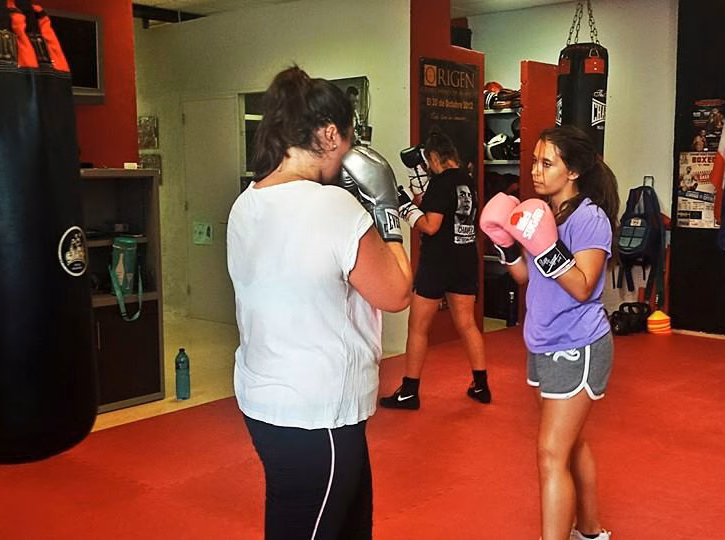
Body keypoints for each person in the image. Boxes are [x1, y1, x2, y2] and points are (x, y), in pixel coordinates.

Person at [226, 66, 412, 538]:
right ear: (330, 134)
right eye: (348, 139)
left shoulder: (246, 203)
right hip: (318, 415)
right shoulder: (333, 209)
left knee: (346, 525)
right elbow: (396, 291)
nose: (349, 152)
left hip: (267, 401)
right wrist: (387, 208)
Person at [480, 125, 619, 540]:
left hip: (578, 344)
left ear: (573, 170)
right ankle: (591, 532)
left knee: (549, 453)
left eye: (546, 162)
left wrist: (546, 246)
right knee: (570, 444)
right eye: (534, 161)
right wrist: (505, 244)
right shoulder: (542, 215)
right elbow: (526, 276)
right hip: (544, 340)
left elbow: (582, 284)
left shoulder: (589, 218)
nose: (536, 171)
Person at [379, 129, 487, 410]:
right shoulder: (467, 181)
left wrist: (402, 208)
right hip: (464, 258)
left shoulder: (441, 183)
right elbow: (430, 205)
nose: (428, 167)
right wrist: (415, 190)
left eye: (428, 162)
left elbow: (430, 224)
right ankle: (481, 384)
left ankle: (409, 391)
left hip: (438, 262)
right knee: (467, 323)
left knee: (418, 327)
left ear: (436, 157)